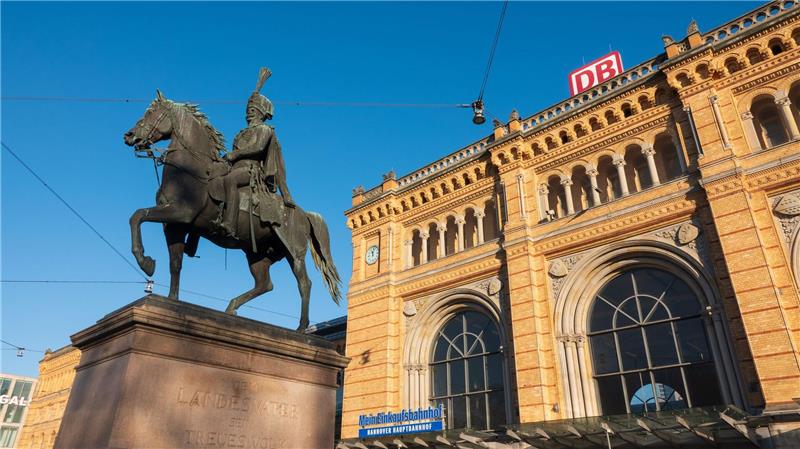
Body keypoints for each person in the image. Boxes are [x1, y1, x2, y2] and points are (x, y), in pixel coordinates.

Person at [221, 68, 294, 236]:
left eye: (252, 110)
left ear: (260, 113)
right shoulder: (240, 133)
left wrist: (236, 154)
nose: (248, 113)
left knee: (230, 180)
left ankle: (230, 224)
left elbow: (258, 148)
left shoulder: (265, 129)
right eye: (247, 110)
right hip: (235, 167)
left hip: (252, 172)